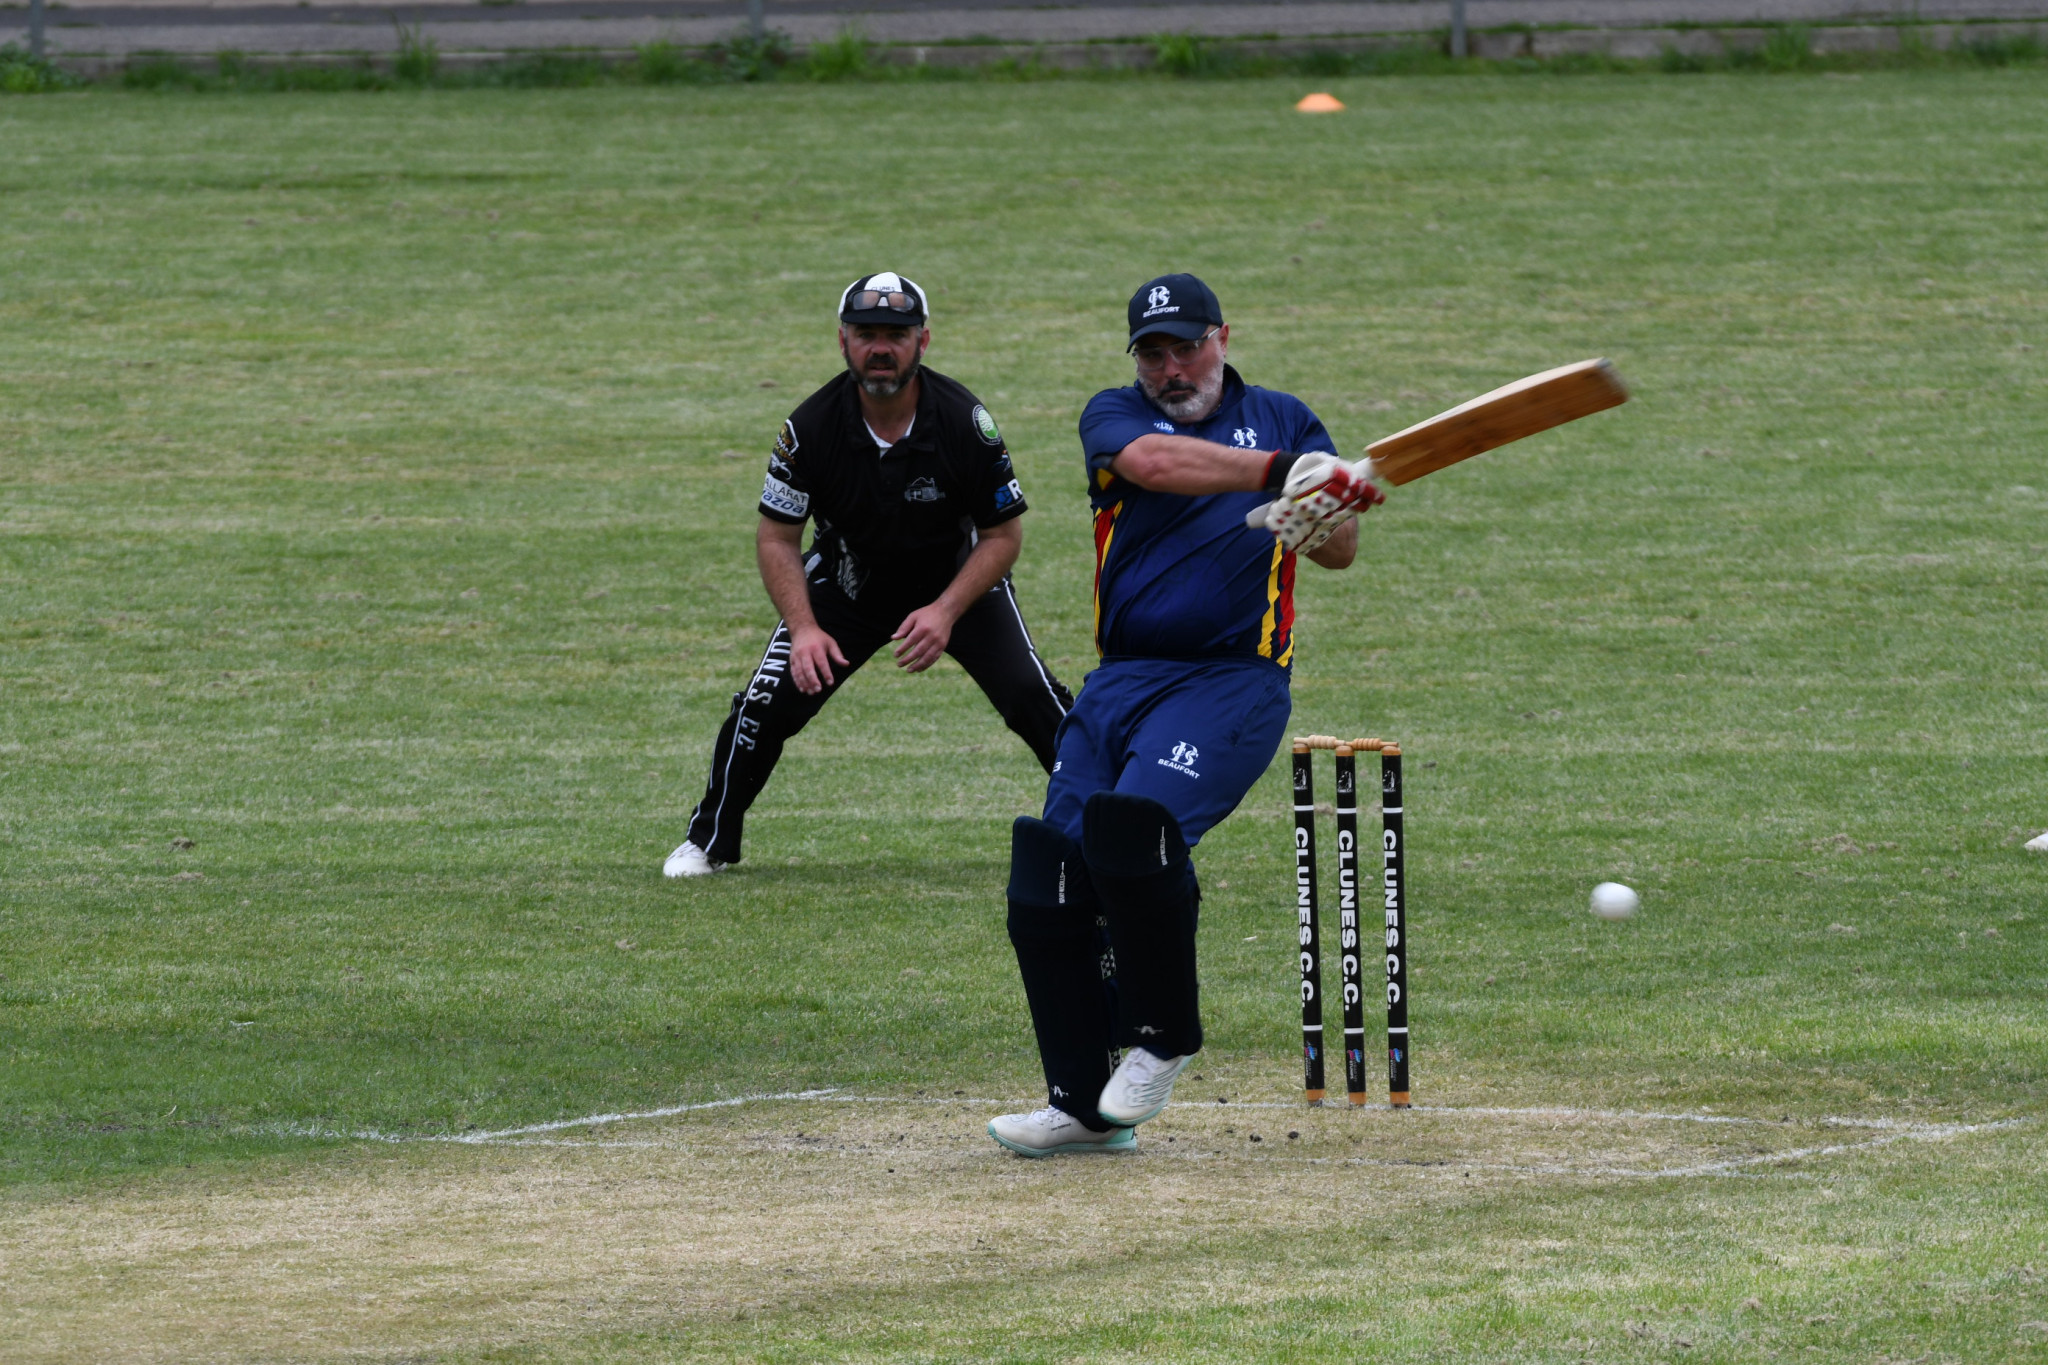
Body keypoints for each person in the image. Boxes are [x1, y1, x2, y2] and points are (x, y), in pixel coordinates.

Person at [988, 273, 1381, 1156]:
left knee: (1134, 831)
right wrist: (1285, 472)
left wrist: (1325, 503)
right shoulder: (1114, 415)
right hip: (1121, 681)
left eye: (1187, 346)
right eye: (1153, 352)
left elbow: (1341, 553)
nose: (1171, 367)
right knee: (1051, 873)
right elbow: (1156, 467)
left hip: (1232, 681)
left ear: (1224, 337)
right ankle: (1081, 1104)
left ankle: (1163, 1039)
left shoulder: (1284, 416)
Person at [665, 273, 1073, 877]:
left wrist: (945, 611)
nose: (881, 347)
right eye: (866, 334)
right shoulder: (807, 429)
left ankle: (1102, 824)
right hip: (847, 586)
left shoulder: (966, 422)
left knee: (1032, 696)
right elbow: (777, 537)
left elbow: (1002, 538)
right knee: (764, 703)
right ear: (843, 342)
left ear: (923, 342)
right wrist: (803, 628)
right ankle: (710, 841)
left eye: (896, 334)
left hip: (957, 585)